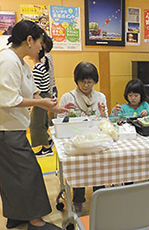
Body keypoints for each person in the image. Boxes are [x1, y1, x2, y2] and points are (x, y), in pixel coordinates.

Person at [0, 20, 72, 230]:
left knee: (13, 177)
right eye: (40, 42)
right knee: (28, 173)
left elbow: (33, 92)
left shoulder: (21, 62)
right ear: (29, 40)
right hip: (6, 130)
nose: (41, 47)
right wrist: (40, 102)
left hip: (13, 128)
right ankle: (34, 221)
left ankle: (16, 217)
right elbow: (7, 99)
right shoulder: (8, 60)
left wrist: (53, 108)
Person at [59, 61, 108, 216]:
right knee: (79, 168)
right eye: (83, 81)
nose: (86, 85)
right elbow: (59, 121)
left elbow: (104, 122)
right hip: (77, 143)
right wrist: (66, 115)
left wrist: (103, 113)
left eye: (90, 82)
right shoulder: (68, 97)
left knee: (99, 167)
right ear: (76, 80)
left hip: (95, 141)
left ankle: (100, 198)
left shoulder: (100, 97)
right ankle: (78, 200)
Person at [29, 46, 53, 157]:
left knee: (37, 124)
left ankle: (46, 148)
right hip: (44, 96)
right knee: (42, 122)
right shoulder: (42, 66)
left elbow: (34, 88)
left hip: (41, 97)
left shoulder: (38, 67)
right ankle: (47, 143)